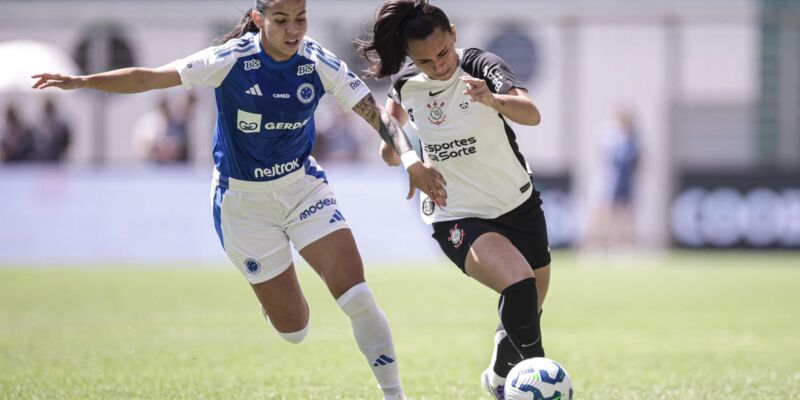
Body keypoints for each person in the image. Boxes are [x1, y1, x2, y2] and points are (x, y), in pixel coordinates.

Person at [32, 1, 448, 398]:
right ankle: (275, 288)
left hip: (302, 188)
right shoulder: (229, 59)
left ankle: (394, 394)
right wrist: (84, 82)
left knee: (357, 296)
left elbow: (377, 116)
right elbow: (150, 77)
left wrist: (410, 159)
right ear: (258, 18)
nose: (293, 30)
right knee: (295, 328)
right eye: (281, 20)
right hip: (243, 204)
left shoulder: (318, 62)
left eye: (301, 19)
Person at [358, 1, 550, 398]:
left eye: (443, 53)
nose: (439, 65)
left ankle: (500, 372)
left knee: (528, 303)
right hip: (456, 212)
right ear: (411, 59)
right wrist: (406, 159)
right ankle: (540, 382)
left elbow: (531, 114)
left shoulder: (481, 65)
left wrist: (493, 99)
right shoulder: (407, 84)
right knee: (518, 285)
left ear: (454, 35)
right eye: (425, 60)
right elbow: (390, 143)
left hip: (517, 201)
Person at [33, 98, 72, 163]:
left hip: (57, 155)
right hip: (42, 156)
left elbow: (65, 140)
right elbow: (36, 140)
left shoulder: (60, 124)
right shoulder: (41, 123)